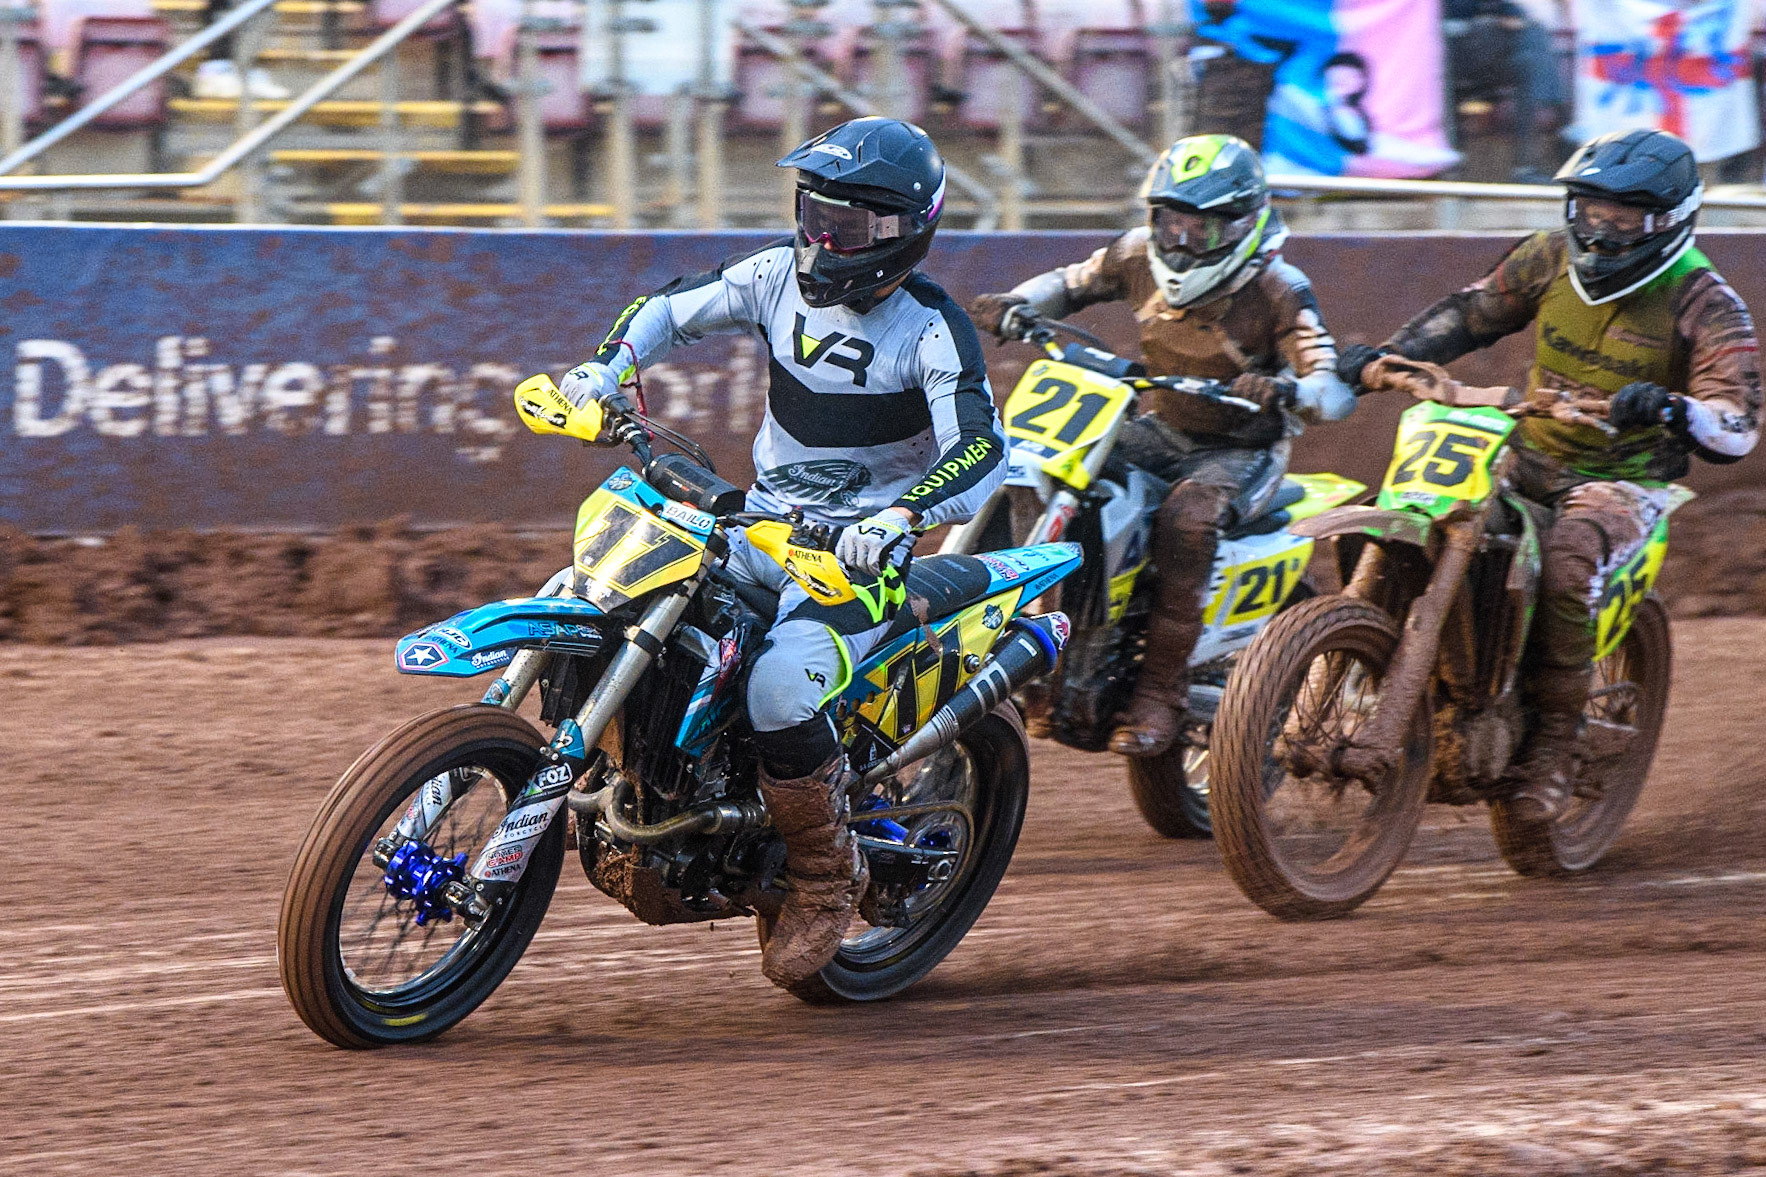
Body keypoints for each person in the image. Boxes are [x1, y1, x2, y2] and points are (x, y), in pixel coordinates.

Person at [558, 116, 1005, 991]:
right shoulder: (773, 276)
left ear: (902, 231)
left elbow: (981, 452)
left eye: (845, 224)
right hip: (758, 523)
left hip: (859, 562)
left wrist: (900, 518)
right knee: (611, 583)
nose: (821, 237)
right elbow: (667, 311)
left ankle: (826, 874)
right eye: (814, 212)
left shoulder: (933, 330)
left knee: (774, 685)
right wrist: (605, 370)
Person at [1339, 129, 1760, 820]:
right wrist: (1387, 356)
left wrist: (1676, 407)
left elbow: (1737, 423)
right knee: (1405, 505)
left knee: (1567, 559)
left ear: (1670, 219)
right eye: (1591, 209)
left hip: (1624, 477)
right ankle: (1368, 670)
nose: (1603, 228)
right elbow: (1469, 314)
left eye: (1625, 217)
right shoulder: (1548, 257)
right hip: (1528, 446)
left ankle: (1555, 745)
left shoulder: (1705, 302)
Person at [971, 132, 1356, 759]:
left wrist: (1286, 390)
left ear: (1243, 225)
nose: (1180, 240)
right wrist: (1018, 304)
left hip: (1240, 450)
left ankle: (1161, 691)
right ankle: (1034, 651)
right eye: (1170, 222)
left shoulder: (1279, 287)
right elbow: (1070, 283)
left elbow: (1331, 387)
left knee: (1187, 518)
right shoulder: (1136, 255)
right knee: (1045, 471)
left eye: (1199, 229)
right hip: (1162, 427)